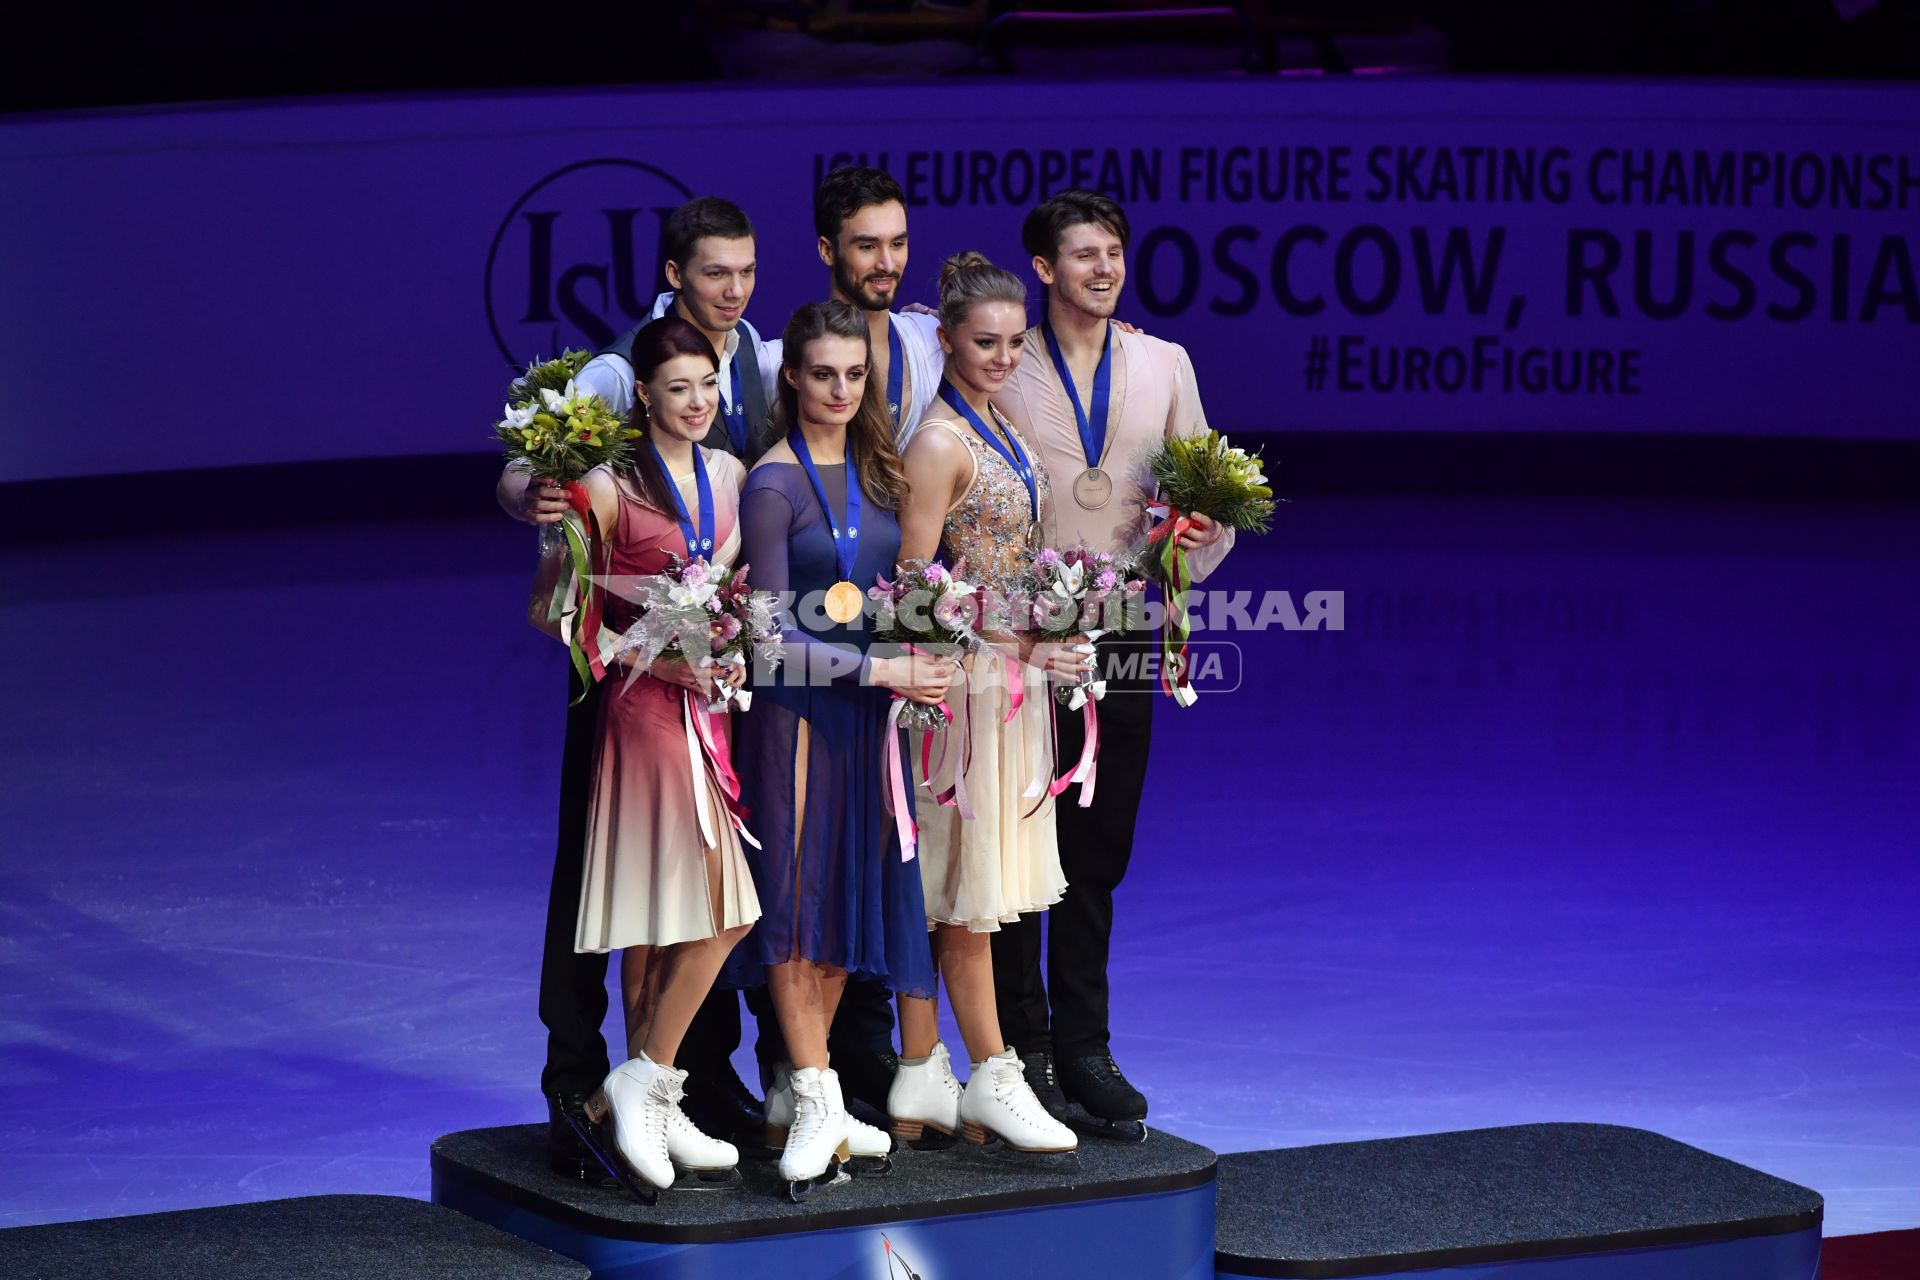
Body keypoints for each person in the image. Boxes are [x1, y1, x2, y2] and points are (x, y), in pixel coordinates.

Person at [496, 197, 779, 1170]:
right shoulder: (620, 369)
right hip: (621, 680)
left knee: (693, 895)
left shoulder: (758, 361)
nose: (732, 289)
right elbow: (535, 463)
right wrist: (533, 495)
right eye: (713, 273)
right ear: (673, 273)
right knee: (608, 880)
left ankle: (675, 1080)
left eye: (744, 270)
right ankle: (583, 1073)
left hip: (709, 690)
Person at [989, 191, 1234, 1140]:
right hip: (1022, 631)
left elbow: (1202, 484)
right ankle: (1021, 1050)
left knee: (1096, 848)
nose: (1104, 269)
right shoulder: (1007, 361)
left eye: (1115, 254)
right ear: (1044, 269)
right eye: (1082, 256)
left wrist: (1199, 535)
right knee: (1016, 842)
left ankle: (1085, 1044)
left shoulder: (1165, 362)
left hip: (1125, 626)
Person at [731, 299, 953, 1194]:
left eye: (854, 375)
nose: (839, 390)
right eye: (822, 373)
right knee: (795, 903)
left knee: (838, 911)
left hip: (868, 721)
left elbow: (895, 586)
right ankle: (816, 1092)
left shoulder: (880, 467)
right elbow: (770, 640)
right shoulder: (772, 483)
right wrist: (881, 675)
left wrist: (930, 642)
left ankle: (808, 1090)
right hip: (797, 717)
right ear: (792, 375)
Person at [557, 316, 760, 1192]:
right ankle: (644, 1084)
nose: (697, 402)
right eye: (678, 388)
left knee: (683, 917)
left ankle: (643, 1092)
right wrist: (655, 648)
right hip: (642, 715)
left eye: (707, 385)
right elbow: (561, 614)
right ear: (643, 395)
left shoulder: (732, 474)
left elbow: (743, 591)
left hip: (705, 714)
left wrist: (733, 642)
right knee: (697, 912)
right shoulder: (605, 487)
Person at [886, 252, 1081, 1154]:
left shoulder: (1001, 421)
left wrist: (1053, 624)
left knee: (980, 889)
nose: (1002, 357)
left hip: (1011, 687)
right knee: (963, 891)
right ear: (946, 340)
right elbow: (913, 587)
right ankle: (990, 1074)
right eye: (984, 343)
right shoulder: (937, 443)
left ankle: (931, 1072)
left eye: (1013, 343)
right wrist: (1015, 638)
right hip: (961, 697)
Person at [812, 165, 946, 445]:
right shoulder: (785, 359)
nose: (887, 264)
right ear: (827, 251)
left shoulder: (933, 338)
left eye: (897, 244)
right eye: (868, 247)